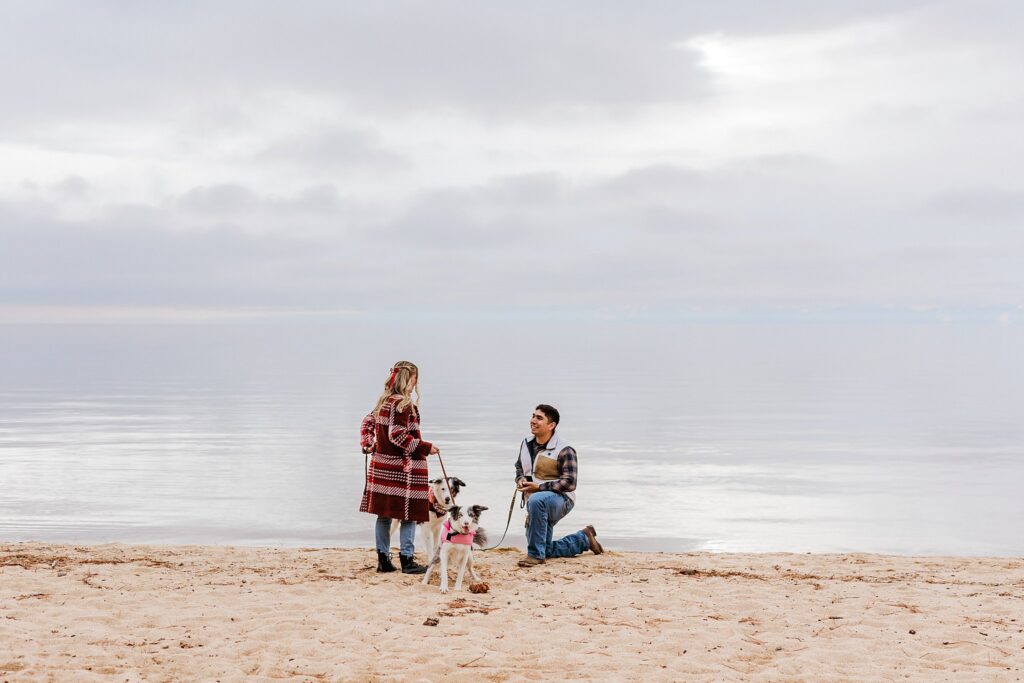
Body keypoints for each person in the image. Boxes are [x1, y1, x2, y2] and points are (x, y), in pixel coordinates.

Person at [359, 361, 438, 574]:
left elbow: (367, 422)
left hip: (381, 466)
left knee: (383, 515)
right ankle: (407, 560)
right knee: (409, 516)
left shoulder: (384, 402)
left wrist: (369, 444)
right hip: (403, 470)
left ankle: (384, 561)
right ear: (408, 379)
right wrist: (425, 447)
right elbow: (397, 435)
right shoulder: (402, 404)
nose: (415, 383)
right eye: (415, 378)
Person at [514, 404, 603, 567]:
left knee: (536, 502)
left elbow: (570, 482)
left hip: (561, 500)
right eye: (533, 416)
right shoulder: (526, 443)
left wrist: (539, 488)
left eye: (539, 418)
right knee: (545, 548)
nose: (533, 420)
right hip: (535, 501)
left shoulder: (564, 449)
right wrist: (519, 478)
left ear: (551, 425)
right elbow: (519, 465)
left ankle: (534, 556)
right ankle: (584, 538)